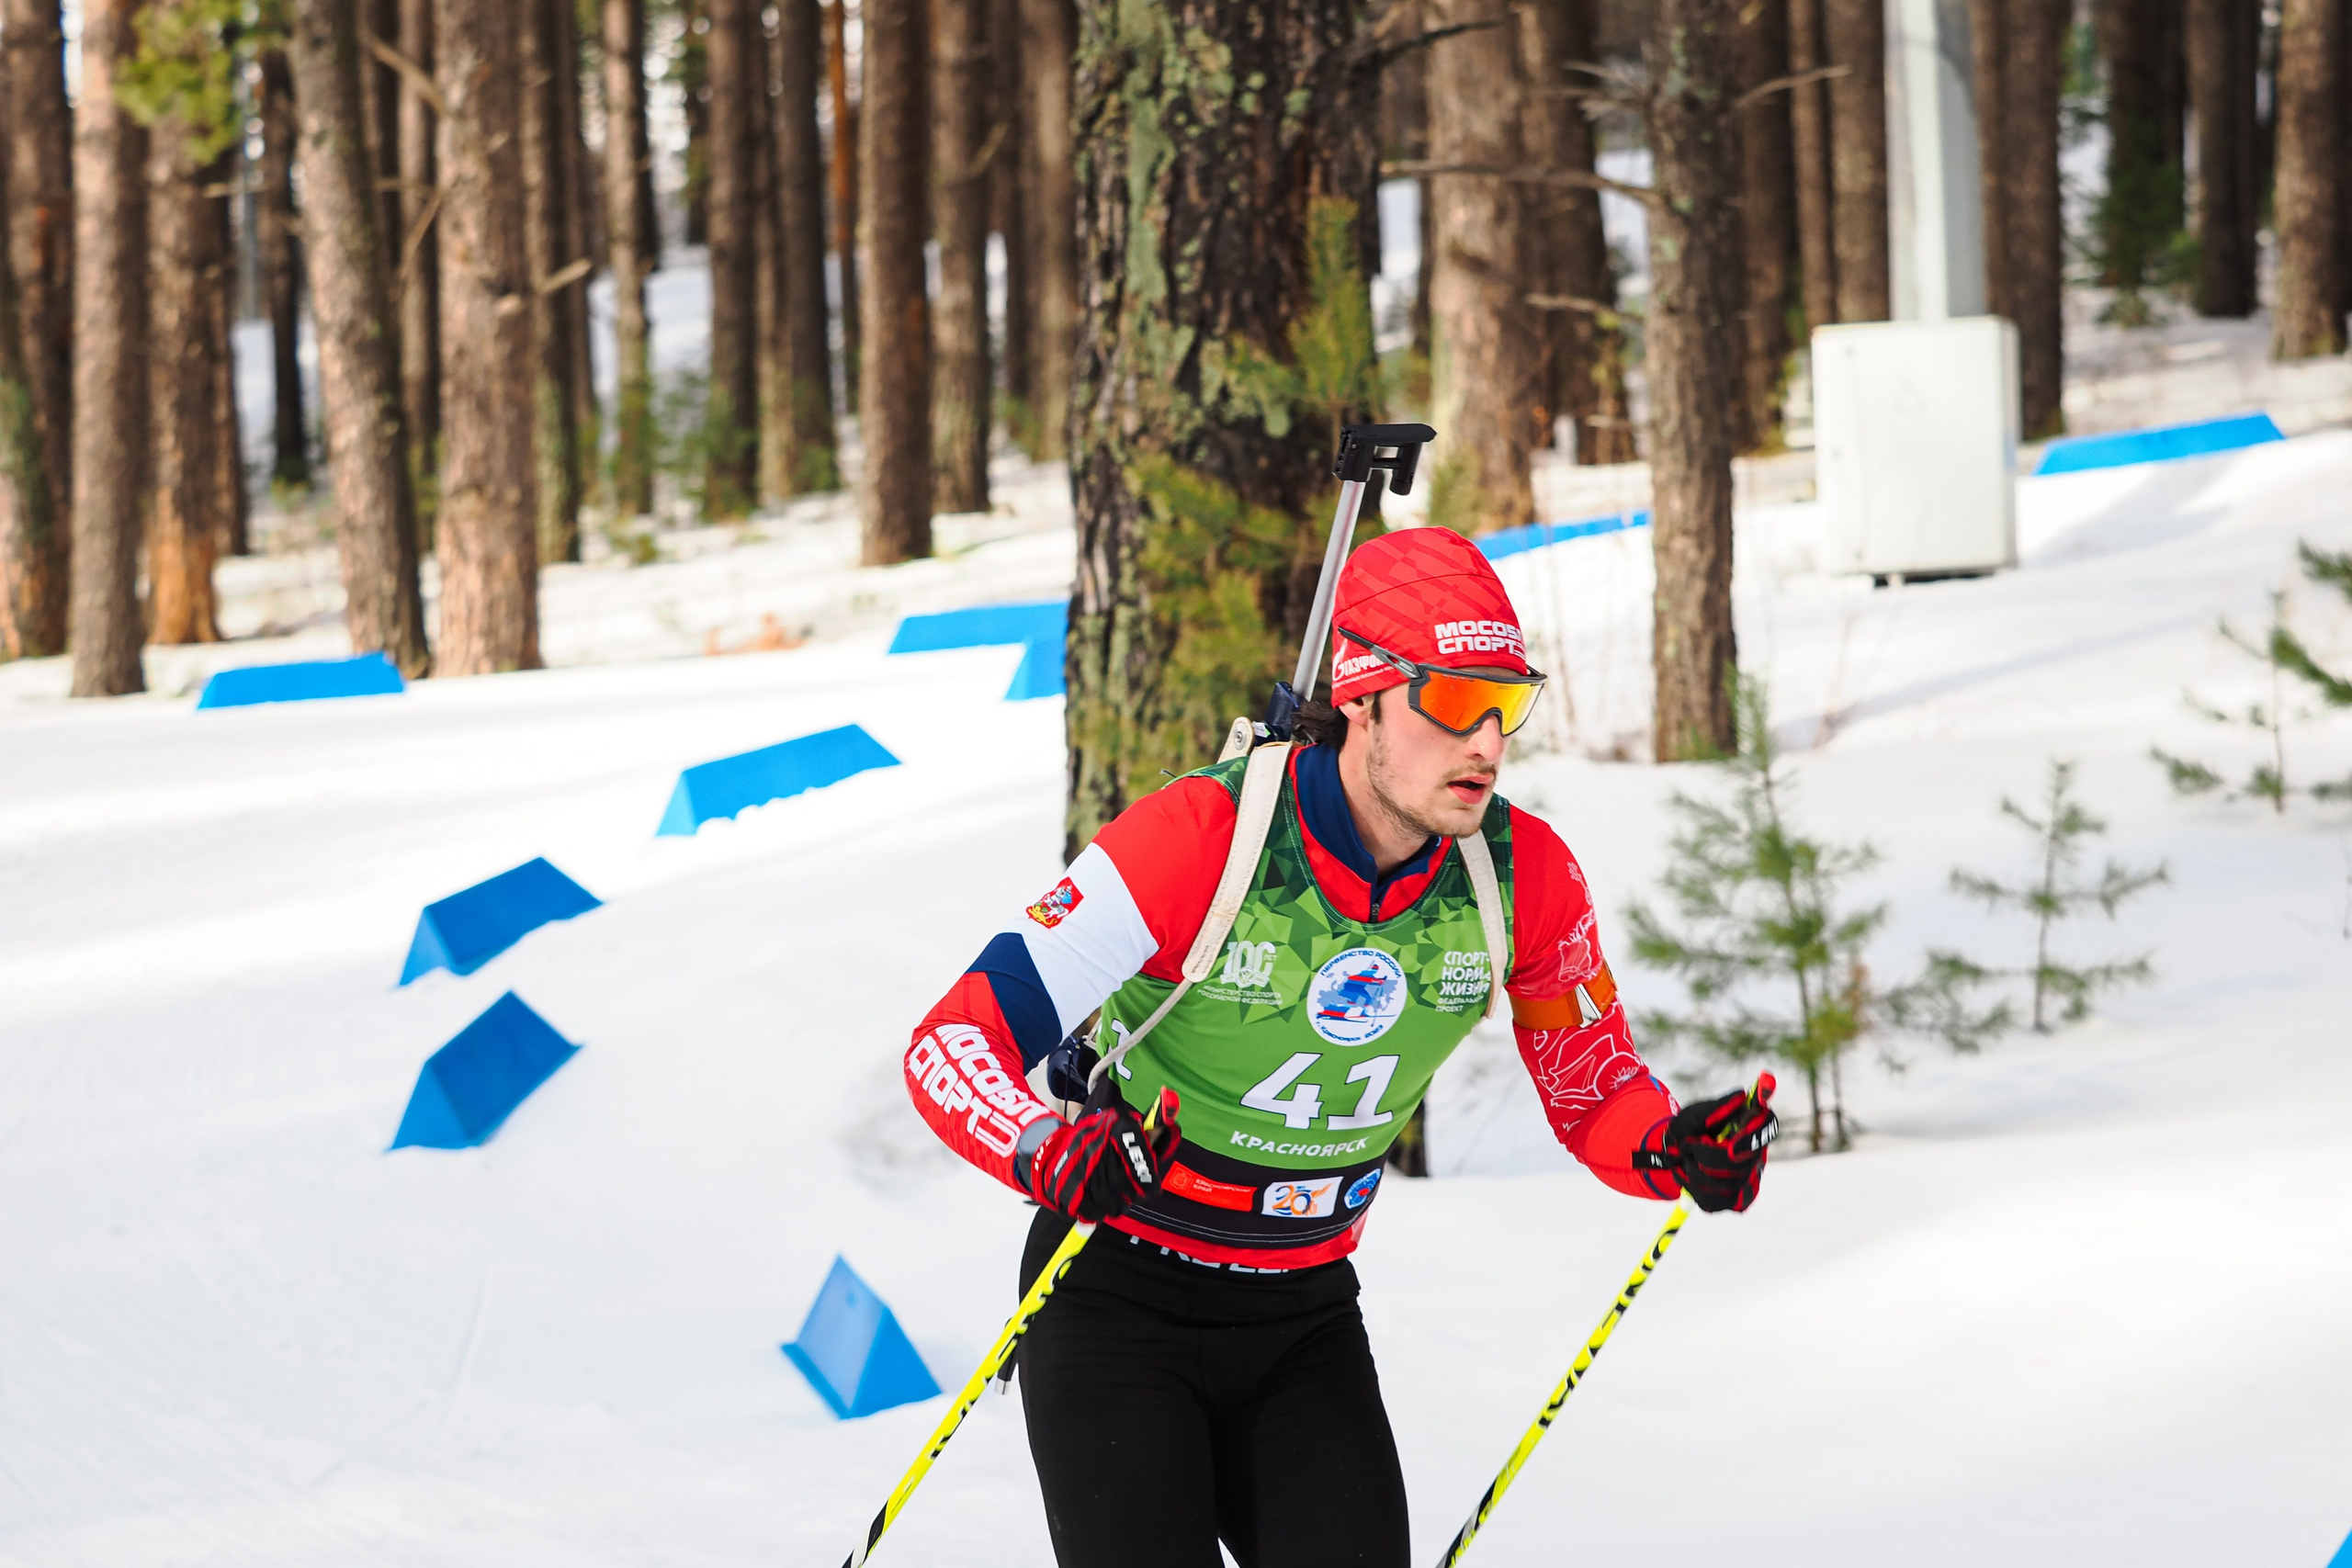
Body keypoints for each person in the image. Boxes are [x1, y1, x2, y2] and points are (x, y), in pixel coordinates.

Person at [901, 527, 1776, 1568]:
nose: (1487, 742)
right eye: (1454, 701)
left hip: (1302, 1312)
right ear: (1362, 695)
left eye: (1506, 705)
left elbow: (1594, 1088)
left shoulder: (1522, 876)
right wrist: (1044, 1147)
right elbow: (951, 1040)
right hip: (1113, 1294)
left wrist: (1672, 1146)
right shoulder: (1203, 838)